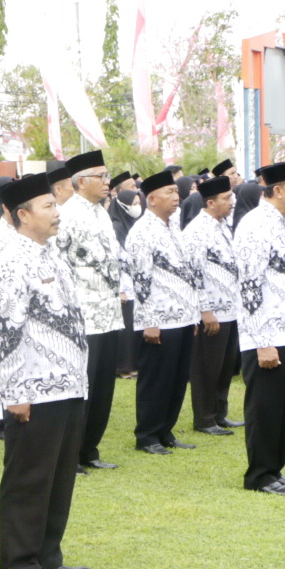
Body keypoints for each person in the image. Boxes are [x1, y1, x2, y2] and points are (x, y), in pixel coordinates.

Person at [0, 174, 90, 569]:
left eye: (54, 203)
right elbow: (6, 332)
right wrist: (14, 394)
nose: (56, 211)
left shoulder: (50, 254)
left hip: (66, 384)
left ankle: (49, 552)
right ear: (23, 215)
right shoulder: (12, 260)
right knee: (29, 477)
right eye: (47, 205)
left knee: (60, 474)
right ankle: (20, 561)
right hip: (33, 389)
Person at [233, 159, 285, 495]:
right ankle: (260, 475)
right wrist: (262, 341)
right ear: (278, 190)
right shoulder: (255, 224)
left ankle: (276, 469)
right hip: (268, 335)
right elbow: (249, 286)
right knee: (266, 409)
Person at [53, 152, 124, 471]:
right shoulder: (66, 214)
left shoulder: (100, 212)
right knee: (82, 387)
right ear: (82, 181)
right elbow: (57, 263)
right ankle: (71, 454)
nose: (108, 182)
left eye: (108, 176)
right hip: (83, 315)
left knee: (102, 387)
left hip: (107, 312)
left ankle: (89, 449)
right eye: (103, 176)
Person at [124, 170, 202, 454]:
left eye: (176, 192)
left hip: (181, 317)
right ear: (152, 198)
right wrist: (149, 322)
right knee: (155, 380)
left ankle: (165, 430)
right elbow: (141, 281)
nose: (176, 197)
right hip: (159, 321)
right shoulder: (142, 232)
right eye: (169, 192)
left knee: (177, 378)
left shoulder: (172, 227)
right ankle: (147, 435)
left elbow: (186, 274)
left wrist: (193, 314)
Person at [180, 175, 242, 436]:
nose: (232, 202)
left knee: (225, 366)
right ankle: (205, 418)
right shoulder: (197, 231)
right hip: (212, 310)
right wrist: (205, 310)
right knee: (207, 367)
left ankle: (220, 413)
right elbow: (194, 274)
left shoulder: (223, 225)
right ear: (210, 202)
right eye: (227, 198)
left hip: (230, 307)